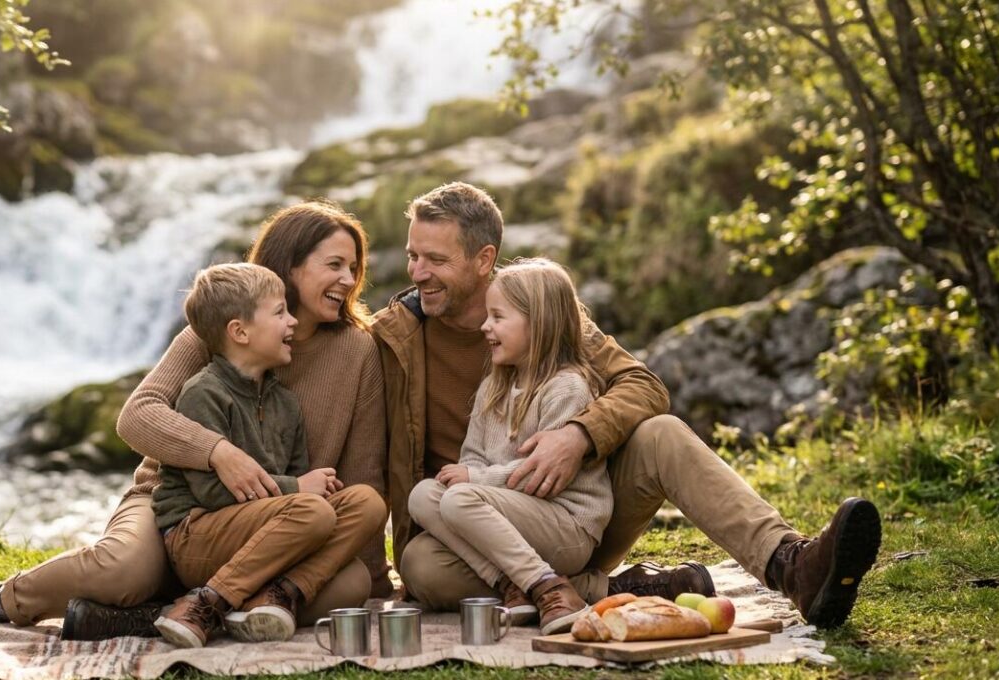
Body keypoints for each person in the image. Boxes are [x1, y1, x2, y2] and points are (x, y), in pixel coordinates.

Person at [378, 182, 881, 629]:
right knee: (422, 568)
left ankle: (791, 565)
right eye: (412, 256)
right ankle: (606, 589)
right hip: (472, 530)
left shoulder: (544, 315)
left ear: (484, 259)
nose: (418, 273)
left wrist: (578, 436)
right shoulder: (394, 336)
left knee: (662, 433)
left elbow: (643, 385)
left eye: (436, 260)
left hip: (572, 511)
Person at [0, 200, 390, 640]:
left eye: (354, 268)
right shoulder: (220, 329)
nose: (349, 281)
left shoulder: (358, 350)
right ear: (289, 266)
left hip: (279, 521)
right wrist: (218, 453)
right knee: (122, 571)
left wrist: (372, 577)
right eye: (334, 265)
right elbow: (137, 415)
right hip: (175, 509)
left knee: (347, 585)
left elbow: (363, 470)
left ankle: (152, 617)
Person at [149, 263, 385, 648]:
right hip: (197, 536)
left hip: (266, 533)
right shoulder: (203, 393)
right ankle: (205, 602)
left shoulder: (284, 403)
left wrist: (305, 491)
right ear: (239, 332)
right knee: (313, 511)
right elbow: (213, 494)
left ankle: (276, 595)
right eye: (279, 313)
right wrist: (299, 489)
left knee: (367, 503)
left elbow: (296, 492)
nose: (293, 321)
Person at [408, 258, 612, 635]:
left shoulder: (566, 388)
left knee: (459, 499)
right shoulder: (494, 387)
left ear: (539, 324)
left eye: (498, 317)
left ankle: (551, 588)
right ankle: (515, 585)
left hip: (565, 525)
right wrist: (468, 475)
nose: (485, 326)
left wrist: (475, 480)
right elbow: (472, 457)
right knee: (422, 496)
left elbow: (543, 477)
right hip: (508, 518)